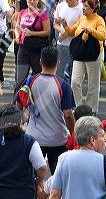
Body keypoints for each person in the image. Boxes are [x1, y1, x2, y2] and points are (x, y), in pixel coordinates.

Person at [14, 46, 75, 174]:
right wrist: (73, 133)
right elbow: (68, 115)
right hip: (58, 139)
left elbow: (17, 105)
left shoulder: (29, 81)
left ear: (40, 62)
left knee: (33, 177)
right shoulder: (64, 85)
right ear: (58, 63)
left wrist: (23, 118)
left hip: (34, 138)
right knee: (58, 177)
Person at [49, 116, 106, 199]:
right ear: (92, 140)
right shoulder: (105, 161)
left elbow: (55, 195)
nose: (105, 140)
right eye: (103, 136)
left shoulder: (64, 158)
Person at [61, 0, 106, 114]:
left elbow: (103, 36)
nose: (83, 8)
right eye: (84, 6)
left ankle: (91, 110)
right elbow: (72, 32)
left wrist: (91, 30)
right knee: (75, 82)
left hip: (93, 54)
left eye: (86, 6)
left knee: (93, 84)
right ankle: (79, 108)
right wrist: (65, 25)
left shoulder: (99, 20)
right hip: (80, 53)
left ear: (93, 8)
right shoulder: (82, 19)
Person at [14, 0, 51, 89]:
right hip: (23, 48)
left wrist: (32, 33)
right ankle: (17, 102)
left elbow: (47, 31)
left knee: (38, 79)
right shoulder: (22, 13)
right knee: (20, 80)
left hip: (37, 49)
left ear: (38, 1)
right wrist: (17, 36)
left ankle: (36, 101)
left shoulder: (43, 14)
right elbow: (17, 27)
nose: (32, 1)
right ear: (26, 0)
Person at [53, 0, 84, 82]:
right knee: (59, 71)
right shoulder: (60, 6)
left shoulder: (81, 9)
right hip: (61, 44)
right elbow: (55, 24)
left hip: (75, 45)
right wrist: (62, 31)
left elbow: (80, 28)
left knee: (72, 73)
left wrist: (65, 33)